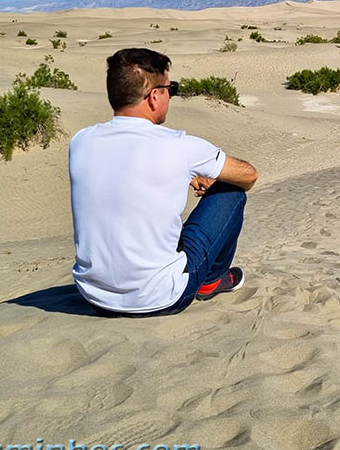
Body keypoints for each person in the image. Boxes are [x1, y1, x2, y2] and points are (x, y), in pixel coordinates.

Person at [69, 48, 258, 316]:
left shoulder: (80, 141)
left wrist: (186, 174)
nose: (171, 95)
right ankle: (210, 281)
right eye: (171, 88)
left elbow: (125, 174)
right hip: (162, 297)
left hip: (92, 295)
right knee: (232, 191)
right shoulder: (180, 147)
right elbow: (249, 175)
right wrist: (201, 173)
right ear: (155, 96)